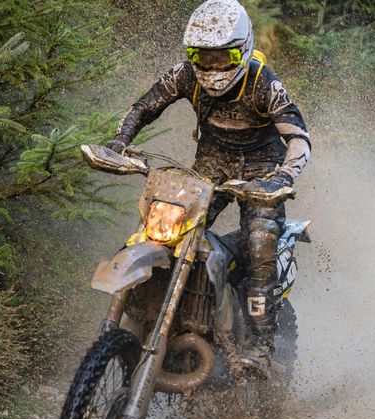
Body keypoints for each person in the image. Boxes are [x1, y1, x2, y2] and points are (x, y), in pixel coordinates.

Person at [106, 0, 311, 378]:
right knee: (166, 227)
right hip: (211, 164)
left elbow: (298, 137)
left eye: (223, 57)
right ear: (192, 55)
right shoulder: (184, 74)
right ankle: (157, 312)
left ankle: (260, 346)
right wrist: (119, 142)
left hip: (262, 169)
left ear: (243, 49)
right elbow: (143, 107)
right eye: (204, 57)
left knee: (260, 240)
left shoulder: (263, 82)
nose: (214, 68)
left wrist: (283, 176)